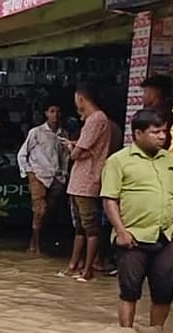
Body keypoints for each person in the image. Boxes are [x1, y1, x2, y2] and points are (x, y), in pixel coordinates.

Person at [100, 108, 173, 329]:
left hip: (165, 236)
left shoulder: (168, 159)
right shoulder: (118, 161)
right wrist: (121, 231)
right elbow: (109, 199)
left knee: (164, 292)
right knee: (129, 291)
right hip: (133, 237)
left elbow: (171, 195)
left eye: (164, 131)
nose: (162, 136)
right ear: (138, 134)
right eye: (155, 132)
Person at [62, 81, 112, 281]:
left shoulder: (96, 119)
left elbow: (77, 153)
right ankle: (74, 266)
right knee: (81, 227)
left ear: (81, 99)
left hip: (87, 180)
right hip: (80, 181)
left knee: (90, 227)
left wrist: (71, 148)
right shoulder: (96, 119)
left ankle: (86, 270)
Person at [17, 102, 69, 255]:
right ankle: (36, 246)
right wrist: (28, 172)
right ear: (46, 113)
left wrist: (64, 174)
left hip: (55, 177)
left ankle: (34, 242)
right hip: (38, 175)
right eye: (52, 111)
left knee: (47, 212)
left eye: (57, 111)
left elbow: (65, 156)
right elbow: (22, 154)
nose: (55, 115)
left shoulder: (63, 134)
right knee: (40, 210)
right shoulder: (36, 132)